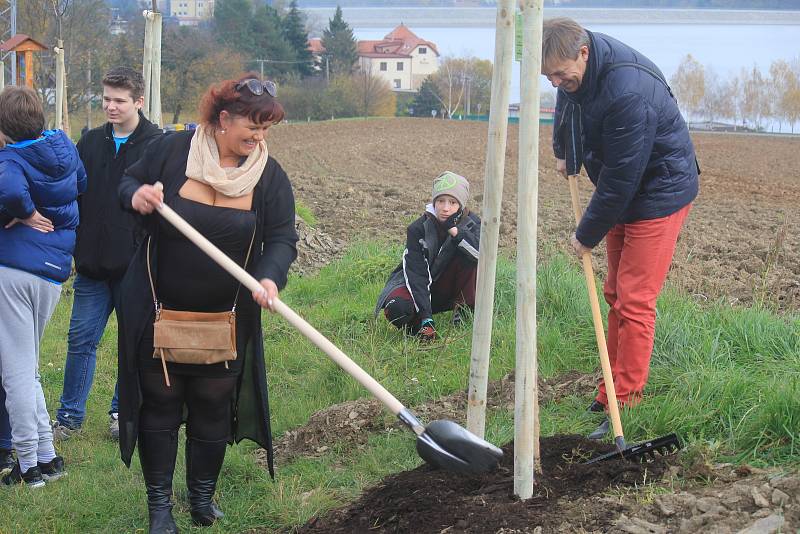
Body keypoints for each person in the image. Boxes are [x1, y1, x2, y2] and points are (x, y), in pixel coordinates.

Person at [117, 75, 298, 533]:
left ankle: (202, 497)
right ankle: (159, 507)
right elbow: (128, 181)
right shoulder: (174, 151)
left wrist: (270, 277)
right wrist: (137, 196)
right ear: (222, 119)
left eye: (265, 130)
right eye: (251, 129)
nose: (258, 139)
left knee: (213, 405)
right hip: (160, 307)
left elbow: (280, 237)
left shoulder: (268, 175)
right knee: (160, 402)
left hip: (226, 315)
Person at [541, 18, 699, 439]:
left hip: (658, 191)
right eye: (549, 76)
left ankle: (625, 400)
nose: (557, 82)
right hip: (625, 187)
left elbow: (622, 180)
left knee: (633, 300)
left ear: (584, 53)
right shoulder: (574, 76)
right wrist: (563, 151)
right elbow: (568, 103)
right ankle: (608, 386)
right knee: (613, 292)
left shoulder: (627, 90)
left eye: (561, 73)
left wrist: (585, 233)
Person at [52, 67, 162, 441]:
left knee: (131, 342)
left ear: (139, 102)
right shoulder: (90, 142)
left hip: (135, 266)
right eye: (106, 99)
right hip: (92, 267)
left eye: (119, 100)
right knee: (81, 339)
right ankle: (69, 417)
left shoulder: (156, 145)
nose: (111, 107)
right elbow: (73, 193)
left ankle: (121, 412)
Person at [0, 86, 86, 486]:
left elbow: (12, 191)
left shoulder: (11, 157)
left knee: (15, 373)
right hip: (53, 271)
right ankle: (49, 455)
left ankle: (28, 464)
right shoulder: (63, 147)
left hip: (14, 270)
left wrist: (28, 212)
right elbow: (81, 182)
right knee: (28, 368)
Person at [375, 171, 481, 341]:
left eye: (452, 202)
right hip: (418, 286)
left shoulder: (473, 224)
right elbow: (417, 275)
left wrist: (454, 232)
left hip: (449, 287)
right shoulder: (418, 228)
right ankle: (419, 328)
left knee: (468, 254)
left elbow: (481, 256)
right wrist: (426, 317)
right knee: (397, 308)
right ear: (434, 202)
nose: (446, 208)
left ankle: (463, 315)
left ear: (460, 205)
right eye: (440, 201)